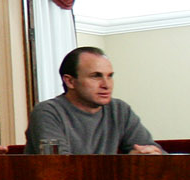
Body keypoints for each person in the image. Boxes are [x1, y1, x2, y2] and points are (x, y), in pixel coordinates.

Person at [24, 46, 161, 154]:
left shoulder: (120, 110)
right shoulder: (48, 112)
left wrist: (150, 157)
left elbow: (154, 152)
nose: (106, 85)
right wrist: (127, 164)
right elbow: (60, 167)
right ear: (70, 81)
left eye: (110, 76)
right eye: (96, 76)